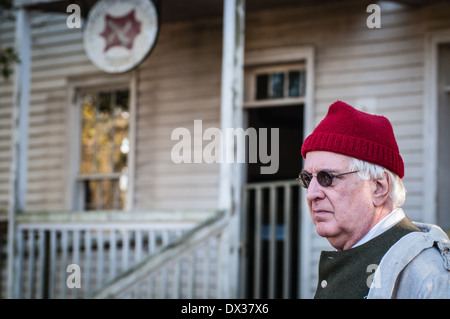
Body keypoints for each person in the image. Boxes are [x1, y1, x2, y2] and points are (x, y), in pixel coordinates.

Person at [299, 100, 450, 299]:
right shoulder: (356, 252)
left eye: (326, 178)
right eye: (307, 179)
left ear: (379, 188)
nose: (311, 194)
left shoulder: (428, 276)